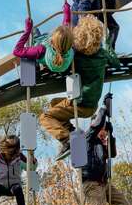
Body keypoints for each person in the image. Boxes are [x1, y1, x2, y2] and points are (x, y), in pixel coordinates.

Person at [39, 15, 120, 160]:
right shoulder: (102, 54)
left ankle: (67, 140)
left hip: (80, 103)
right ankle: (72, 132)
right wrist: (108, 46)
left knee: (46, 117)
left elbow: (60, 66)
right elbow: (116, 63)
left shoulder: (76, 58)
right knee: (54, 104)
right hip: (91, 105)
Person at [81, 99, 129, 205]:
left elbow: (113, 154)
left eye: (105, 131)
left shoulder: (103, 143)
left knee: (123, 204)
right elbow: (95, 127)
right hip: (91, 184)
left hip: (104, 183)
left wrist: (111, 136)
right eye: (102, 130)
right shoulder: (88, 138)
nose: (103, 133)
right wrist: (104, 108)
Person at [13, 2, 73, 73]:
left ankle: (38, 65)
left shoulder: (41, 50)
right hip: (62, 67)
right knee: (62, 36)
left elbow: (16, 51)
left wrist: (27, 31)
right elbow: (65, 34)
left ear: (51, 41)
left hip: (45, 56)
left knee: (34, 30)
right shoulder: (68, 49)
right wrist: (67, 13)